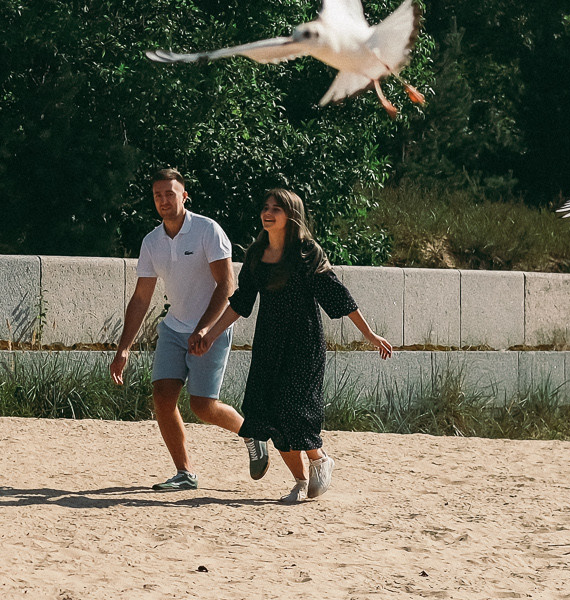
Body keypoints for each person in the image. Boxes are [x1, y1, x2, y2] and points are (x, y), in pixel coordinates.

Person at [191, 187, 392, 503]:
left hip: (304, 343)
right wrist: (210, 334)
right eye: (266, 206)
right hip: (269, 342)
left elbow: (336, 295)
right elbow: (241, 302)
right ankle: (300, 480)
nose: (268, 212)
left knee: (293, 409)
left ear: (291, 215)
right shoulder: (257, 255)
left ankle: (320, 459)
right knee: (268, 412)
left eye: (277, 208)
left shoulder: (305, 252)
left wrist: (369, 334)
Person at [112, 168, 246, 491]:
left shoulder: (207, 231)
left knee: (202, 406)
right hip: (173, 328)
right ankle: (185, 473)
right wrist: (124, 347)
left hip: (211, 328)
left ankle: (252, 431)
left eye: (170, 194)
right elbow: (141, 298)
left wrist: (204, 329)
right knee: (162, 397)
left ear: (184, 196)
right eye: (157, 195)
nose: (163, 201)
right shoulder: (152, 242)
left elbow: (227, 285)